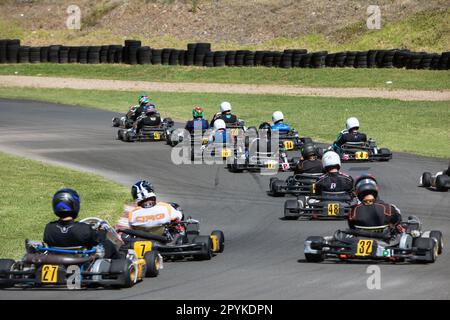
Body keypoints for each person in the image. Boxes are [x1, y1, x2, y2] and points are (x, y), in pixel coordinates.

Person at [43, 188, 120, 258]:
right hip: (80, 264)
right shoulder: (84, 229)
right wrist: (102, 232)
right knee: (108, 245)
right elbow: (98, 240)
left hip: (57, 261)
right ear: (75, 205)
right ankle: (122, 268)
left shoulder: (49, 228)